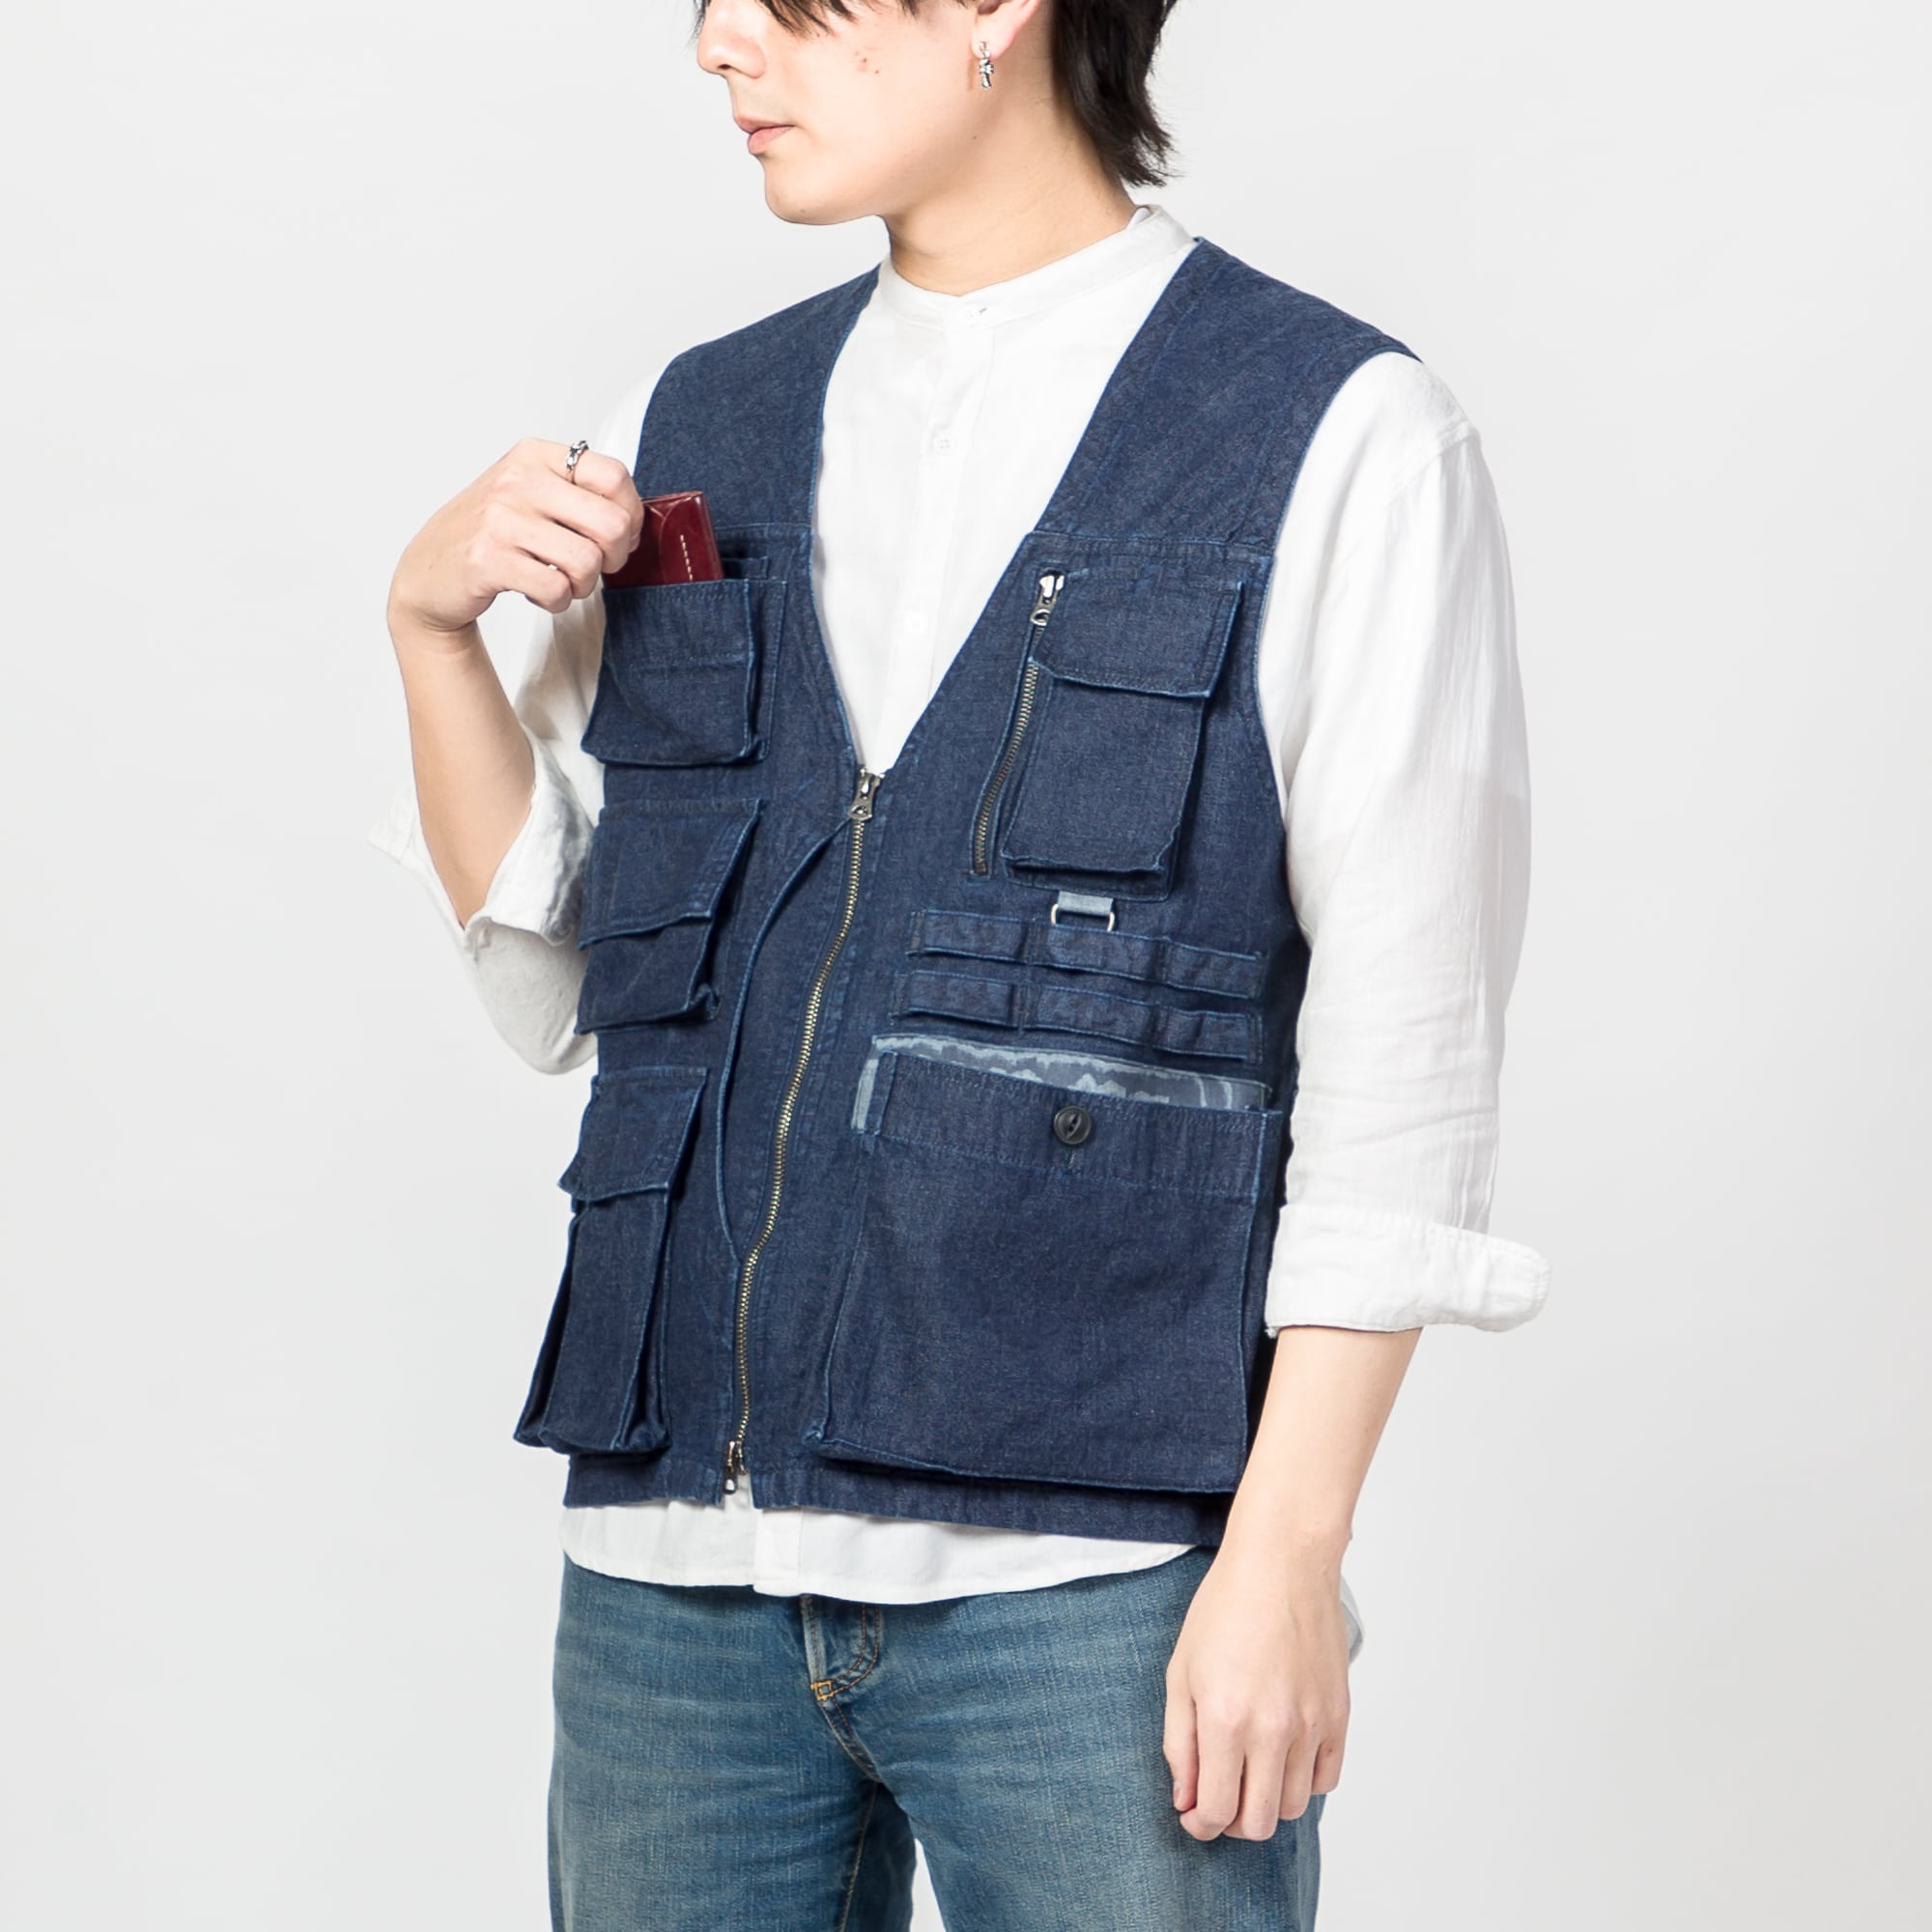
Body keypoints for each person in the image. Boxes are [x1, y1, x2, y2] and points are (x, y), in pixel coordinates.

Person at [369, 1, 1550, 1925]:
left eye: (792, 3)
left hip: (1092, 1594)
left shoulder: (1340, 430)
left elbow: (1406, 1050)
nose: (720, 45)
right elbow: (568, 986)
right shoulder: (699, 416)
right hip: (676, 1590)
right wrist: (432, 634)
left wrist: (1281, 1554)